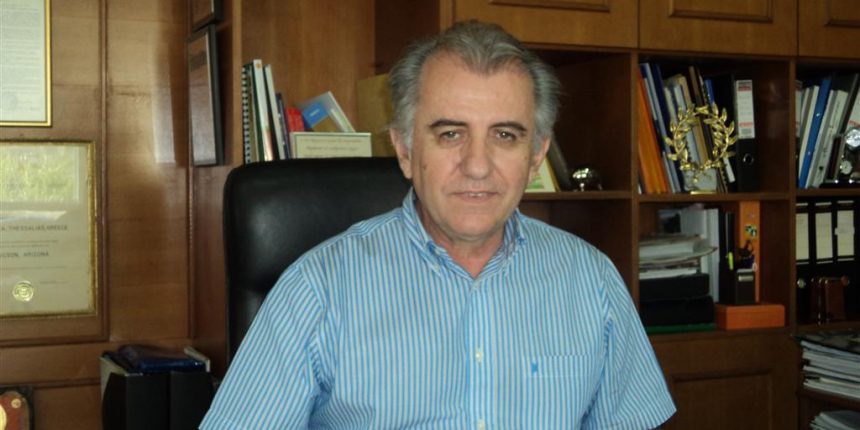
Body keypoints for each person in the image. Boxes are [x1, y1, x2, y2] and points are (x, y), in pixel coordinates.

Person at [201, 20, 676, 429]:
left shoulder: (591, 281)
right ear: (405, 150)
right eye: (450, 134)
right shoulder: (317, 289)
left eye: (505, 135)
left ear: (535, 156)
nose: (477, 165)